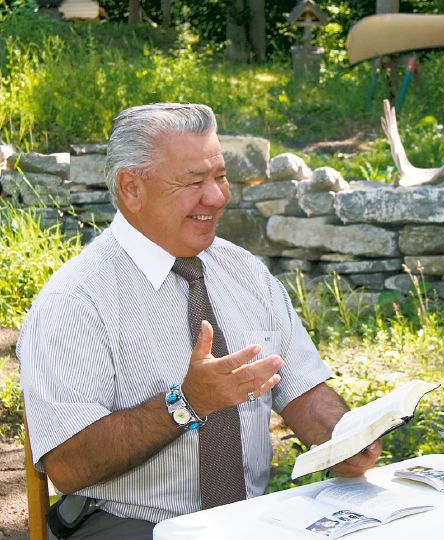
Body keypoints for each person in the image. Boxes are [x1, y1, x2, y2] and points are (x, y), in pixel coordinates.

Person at [17, 103, 380, 539]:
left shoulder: (244, 271)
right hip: (126, 522)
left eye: (220, 176)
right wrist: (185, 404)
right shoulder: (75, 300)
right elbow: (69, 466)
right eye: (194, 182)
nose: (217, 196)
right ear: (131, 188)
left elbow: (302, 387)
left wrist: (344, 439)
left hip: (250, 519)